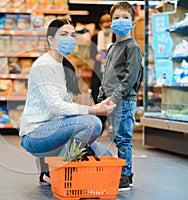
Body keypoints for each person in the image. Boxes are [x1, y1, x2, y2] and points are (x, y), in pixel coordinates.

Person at [19, 18, 116, 186]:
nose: (69, 39)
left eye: (72, 35)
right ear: (51, 39)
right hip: (36, 134)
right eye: (63, 34)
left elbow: (66, 109)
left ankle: (47, 170)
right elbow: (56, 106)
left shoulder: (66, 67)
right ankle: (60, 172)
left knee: (108, 159)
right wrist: (93, 109)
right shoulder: (44, 65)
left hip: (56, 131)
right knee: (93, 123)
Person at [97, 1, 143, 192]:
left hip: (123, 101)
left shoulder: (132, 48)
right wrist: (101, 95)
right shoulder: (112, 47)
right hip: (110, 100)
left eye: (125, 18)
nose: (120, 21)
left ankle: (126, 175)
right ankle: (118, 171)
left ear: (133, 23)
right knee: (112, 137)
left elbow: (130, 78)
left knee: (123, 139)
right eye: (116, 18)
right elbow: (107, 73)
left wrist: (114, 98)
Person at [90, 13, 116, 133]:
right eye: (104, 26)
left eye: (108, 26)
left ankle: (110, 123)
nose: (107, 29)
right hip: (98, 71)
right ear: (100, 26)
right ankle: (100, 122)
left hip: (111, 72)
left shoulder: (115, 37)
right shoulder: (95, 38)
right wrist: (97, 57)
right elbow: (91, 54)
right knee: (97, 95)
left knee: (110, 97)